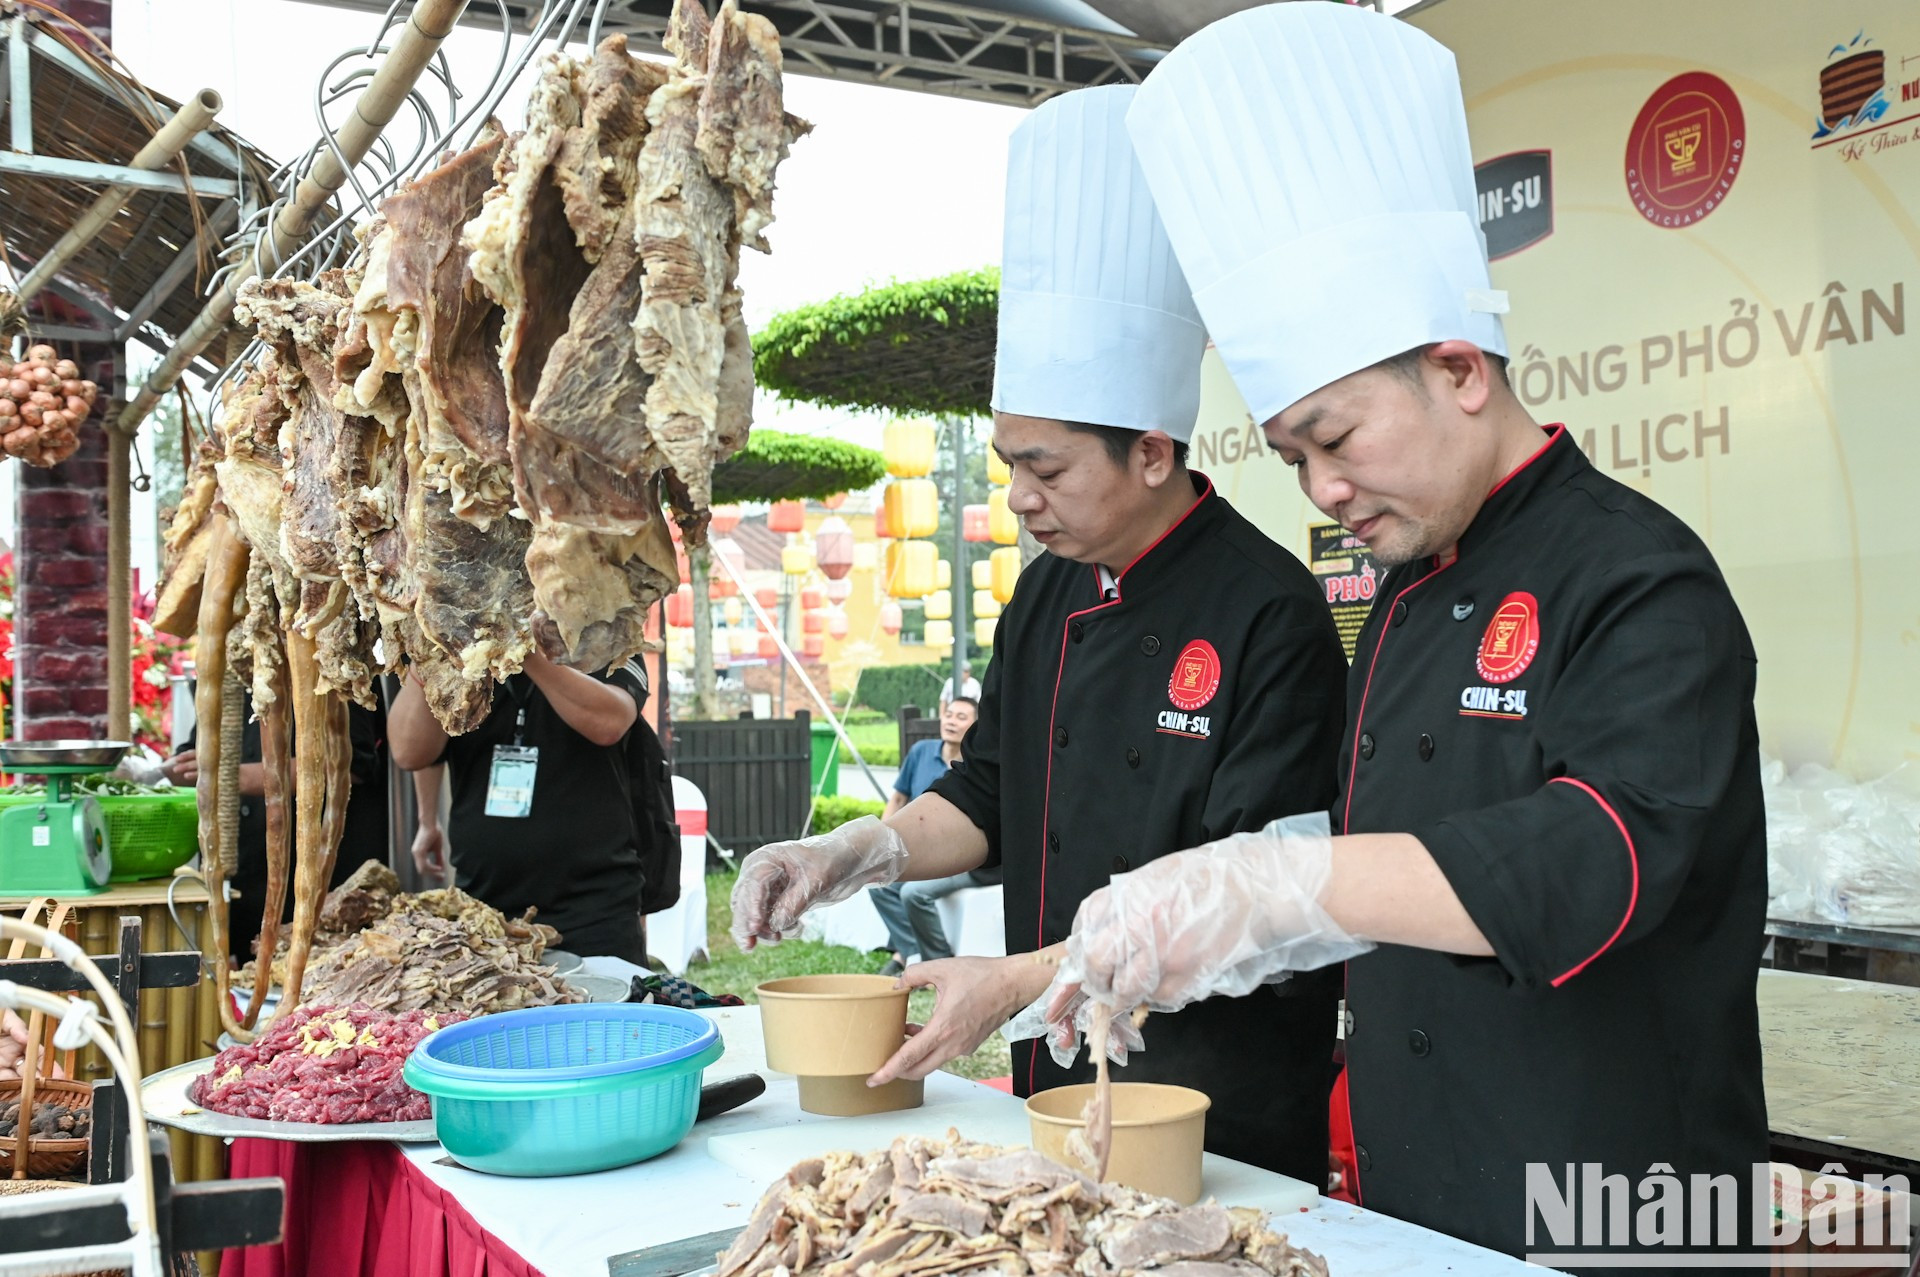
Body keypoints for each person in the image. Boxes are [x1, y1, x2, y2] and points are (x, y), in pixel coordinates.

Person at [1033, 5, 1769, 1265]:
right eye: (1292, 455)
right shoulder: (1403, 593)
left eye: (1336, 437)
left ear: (1459, 368)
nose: (1320, 489)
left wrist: (1279, 885)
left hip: (1617, 1206)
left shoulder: (1642, 576)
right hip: (1421, 1193)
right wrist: (1194, 907)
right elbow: (1377, 842)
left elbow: (1595, 854)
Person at [729, 85, 1348, 1185]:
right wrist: (844, 853)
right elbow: (987, 795)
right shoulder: (1050, 594)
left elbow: (1265, 902)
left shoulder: (1272, 612)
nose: (1016, 496)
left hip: (1213, 1103)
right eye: (1009, 461)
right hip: (1055, 1085)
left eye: (1046, 466)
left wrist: (1017, 980)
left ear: (1153, 451)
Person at [391, 651, 649, 963]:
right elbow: (409, 752)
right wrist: (430, 650)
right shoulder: (464, 646)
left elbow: (609, 723)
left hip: (593, 907)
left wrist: (521, 646)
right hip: (483, 906)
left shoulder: (602, 629)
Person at [166, 691, 389, 964]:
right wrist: (173, 770)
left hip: (317, 881)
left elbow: (350, 762)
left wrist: (237, 776)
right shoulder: (232, 677)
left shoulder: (329, 663)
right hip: (245, 881)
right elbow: (197, 753)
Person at [867, 696, 993, 976]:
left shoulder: (978, 769)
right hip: (916, 846)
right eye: (949, 714)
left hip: (963, 856)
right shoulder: (921, 751)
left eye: (962, 717)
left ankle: (937, 964)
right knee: (879, 883)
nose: (951, 721)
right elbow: (898, 798)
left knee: (913, 892)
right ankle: (911, 953)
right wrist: (884, 845)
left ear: (977, 725)